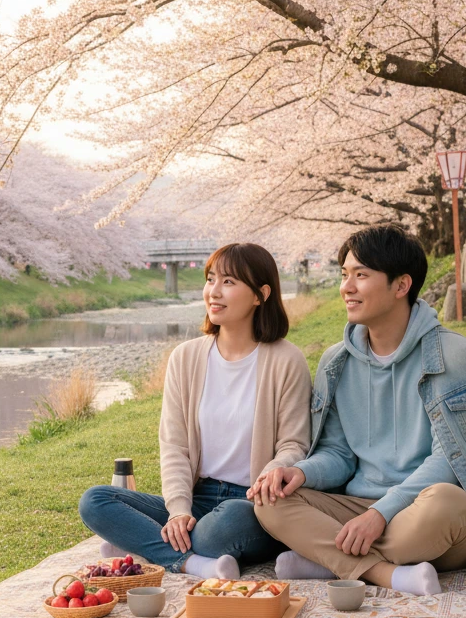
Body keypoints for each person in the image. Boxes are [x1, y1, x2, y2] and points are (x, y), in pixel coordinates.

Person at [256, 225, 466, 595]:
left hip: (425, 511)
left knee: (445, 505)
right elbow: (338, 453)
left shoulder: (453, 358)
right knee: (270, 501)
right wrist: (299, 473)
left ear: (401, 286)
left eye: (361, 275)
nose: (347, 288)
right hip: (359, 507)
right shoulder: (335, 362)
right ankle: (385, 574)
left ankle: (327, 559)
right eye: (344, 275)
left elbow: (451, 460)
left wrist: (381, 513)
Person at [78, 243, 312, 580]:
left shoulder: (286, 360)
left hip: (252, 506)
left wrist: (275, 469)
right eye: (210, 279)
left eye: (229, 282)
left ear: (260, 295)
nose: (213, 292)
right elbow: (175, 446)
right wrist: (177, 510)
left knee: (219, 529)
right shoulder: (185, 357)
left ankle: (144, 545)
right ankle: (192, 563)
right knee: (95, 501)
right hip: (197, 497)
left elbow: (294, 444)